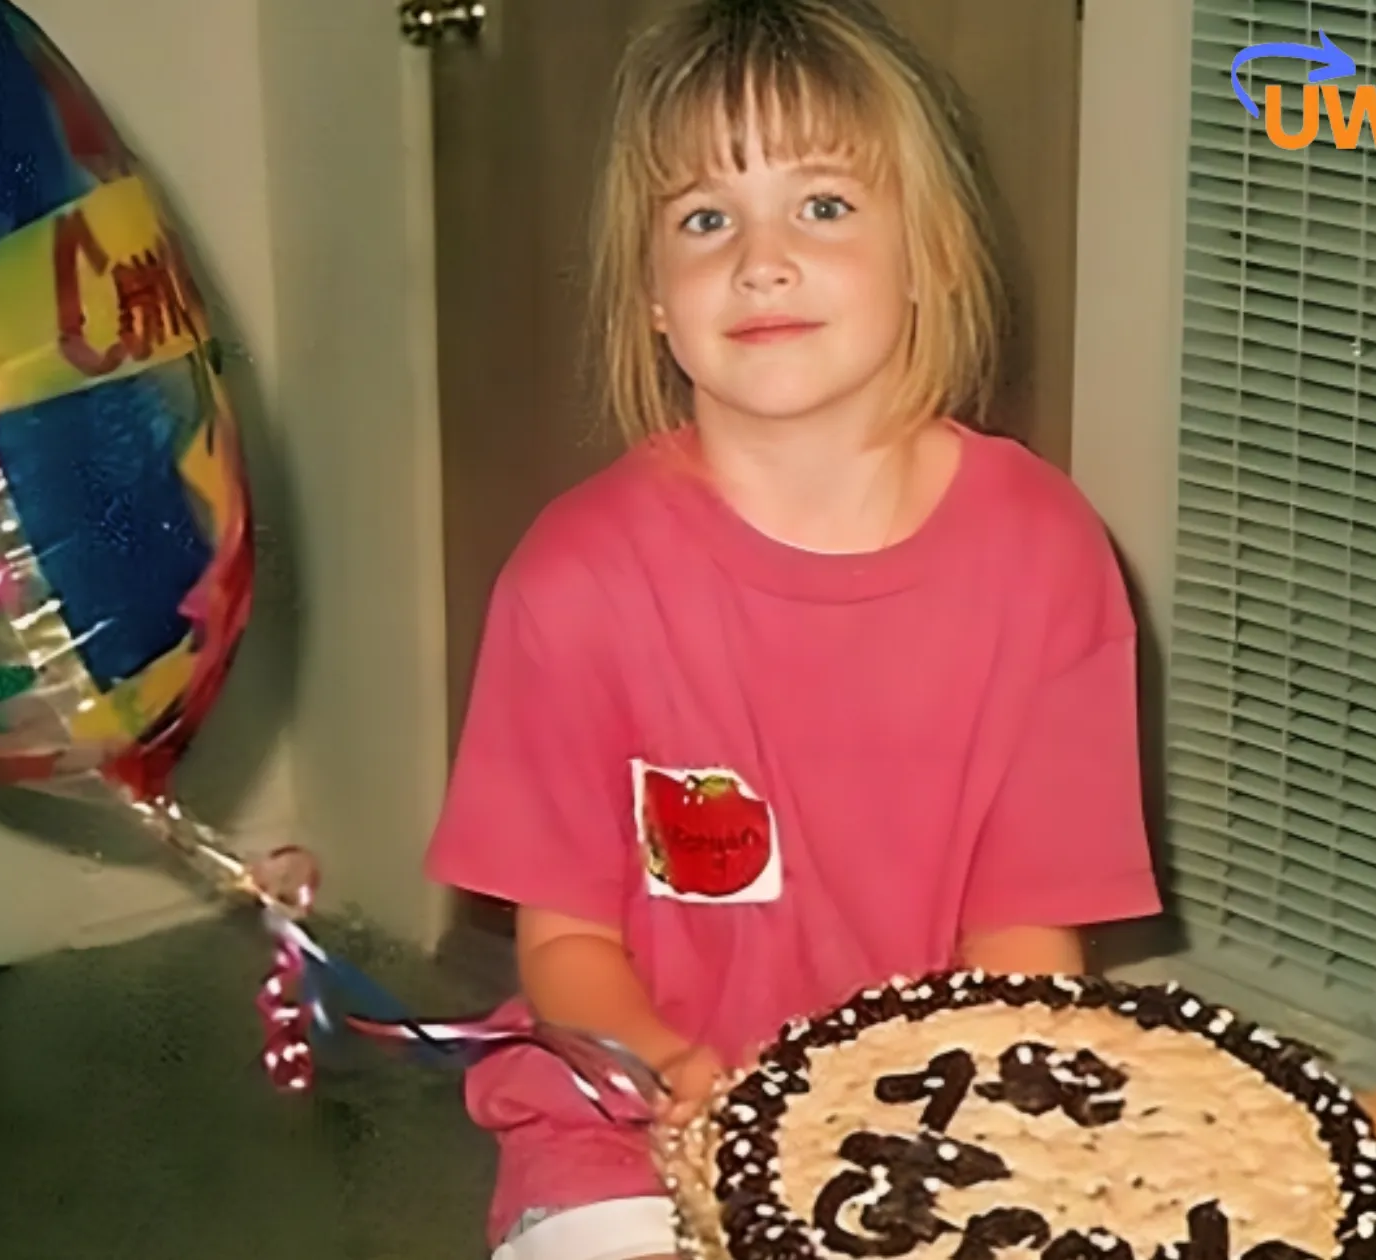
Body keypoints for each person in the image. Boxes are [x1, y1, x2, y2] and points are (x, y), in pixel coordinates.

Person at [422, 2, 1164, 1257]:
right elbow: (568, 941)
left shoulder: (1045, 554)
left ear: (927, 251)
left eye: (821, 205)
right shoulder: (573, 577)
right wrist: (664, 1070)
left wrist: (943, 1124)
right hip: (625, 1130)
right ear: (654, 296)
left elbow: (1028, 941)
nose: (758, 261)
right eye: (704, 219)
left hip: (927, 1121)